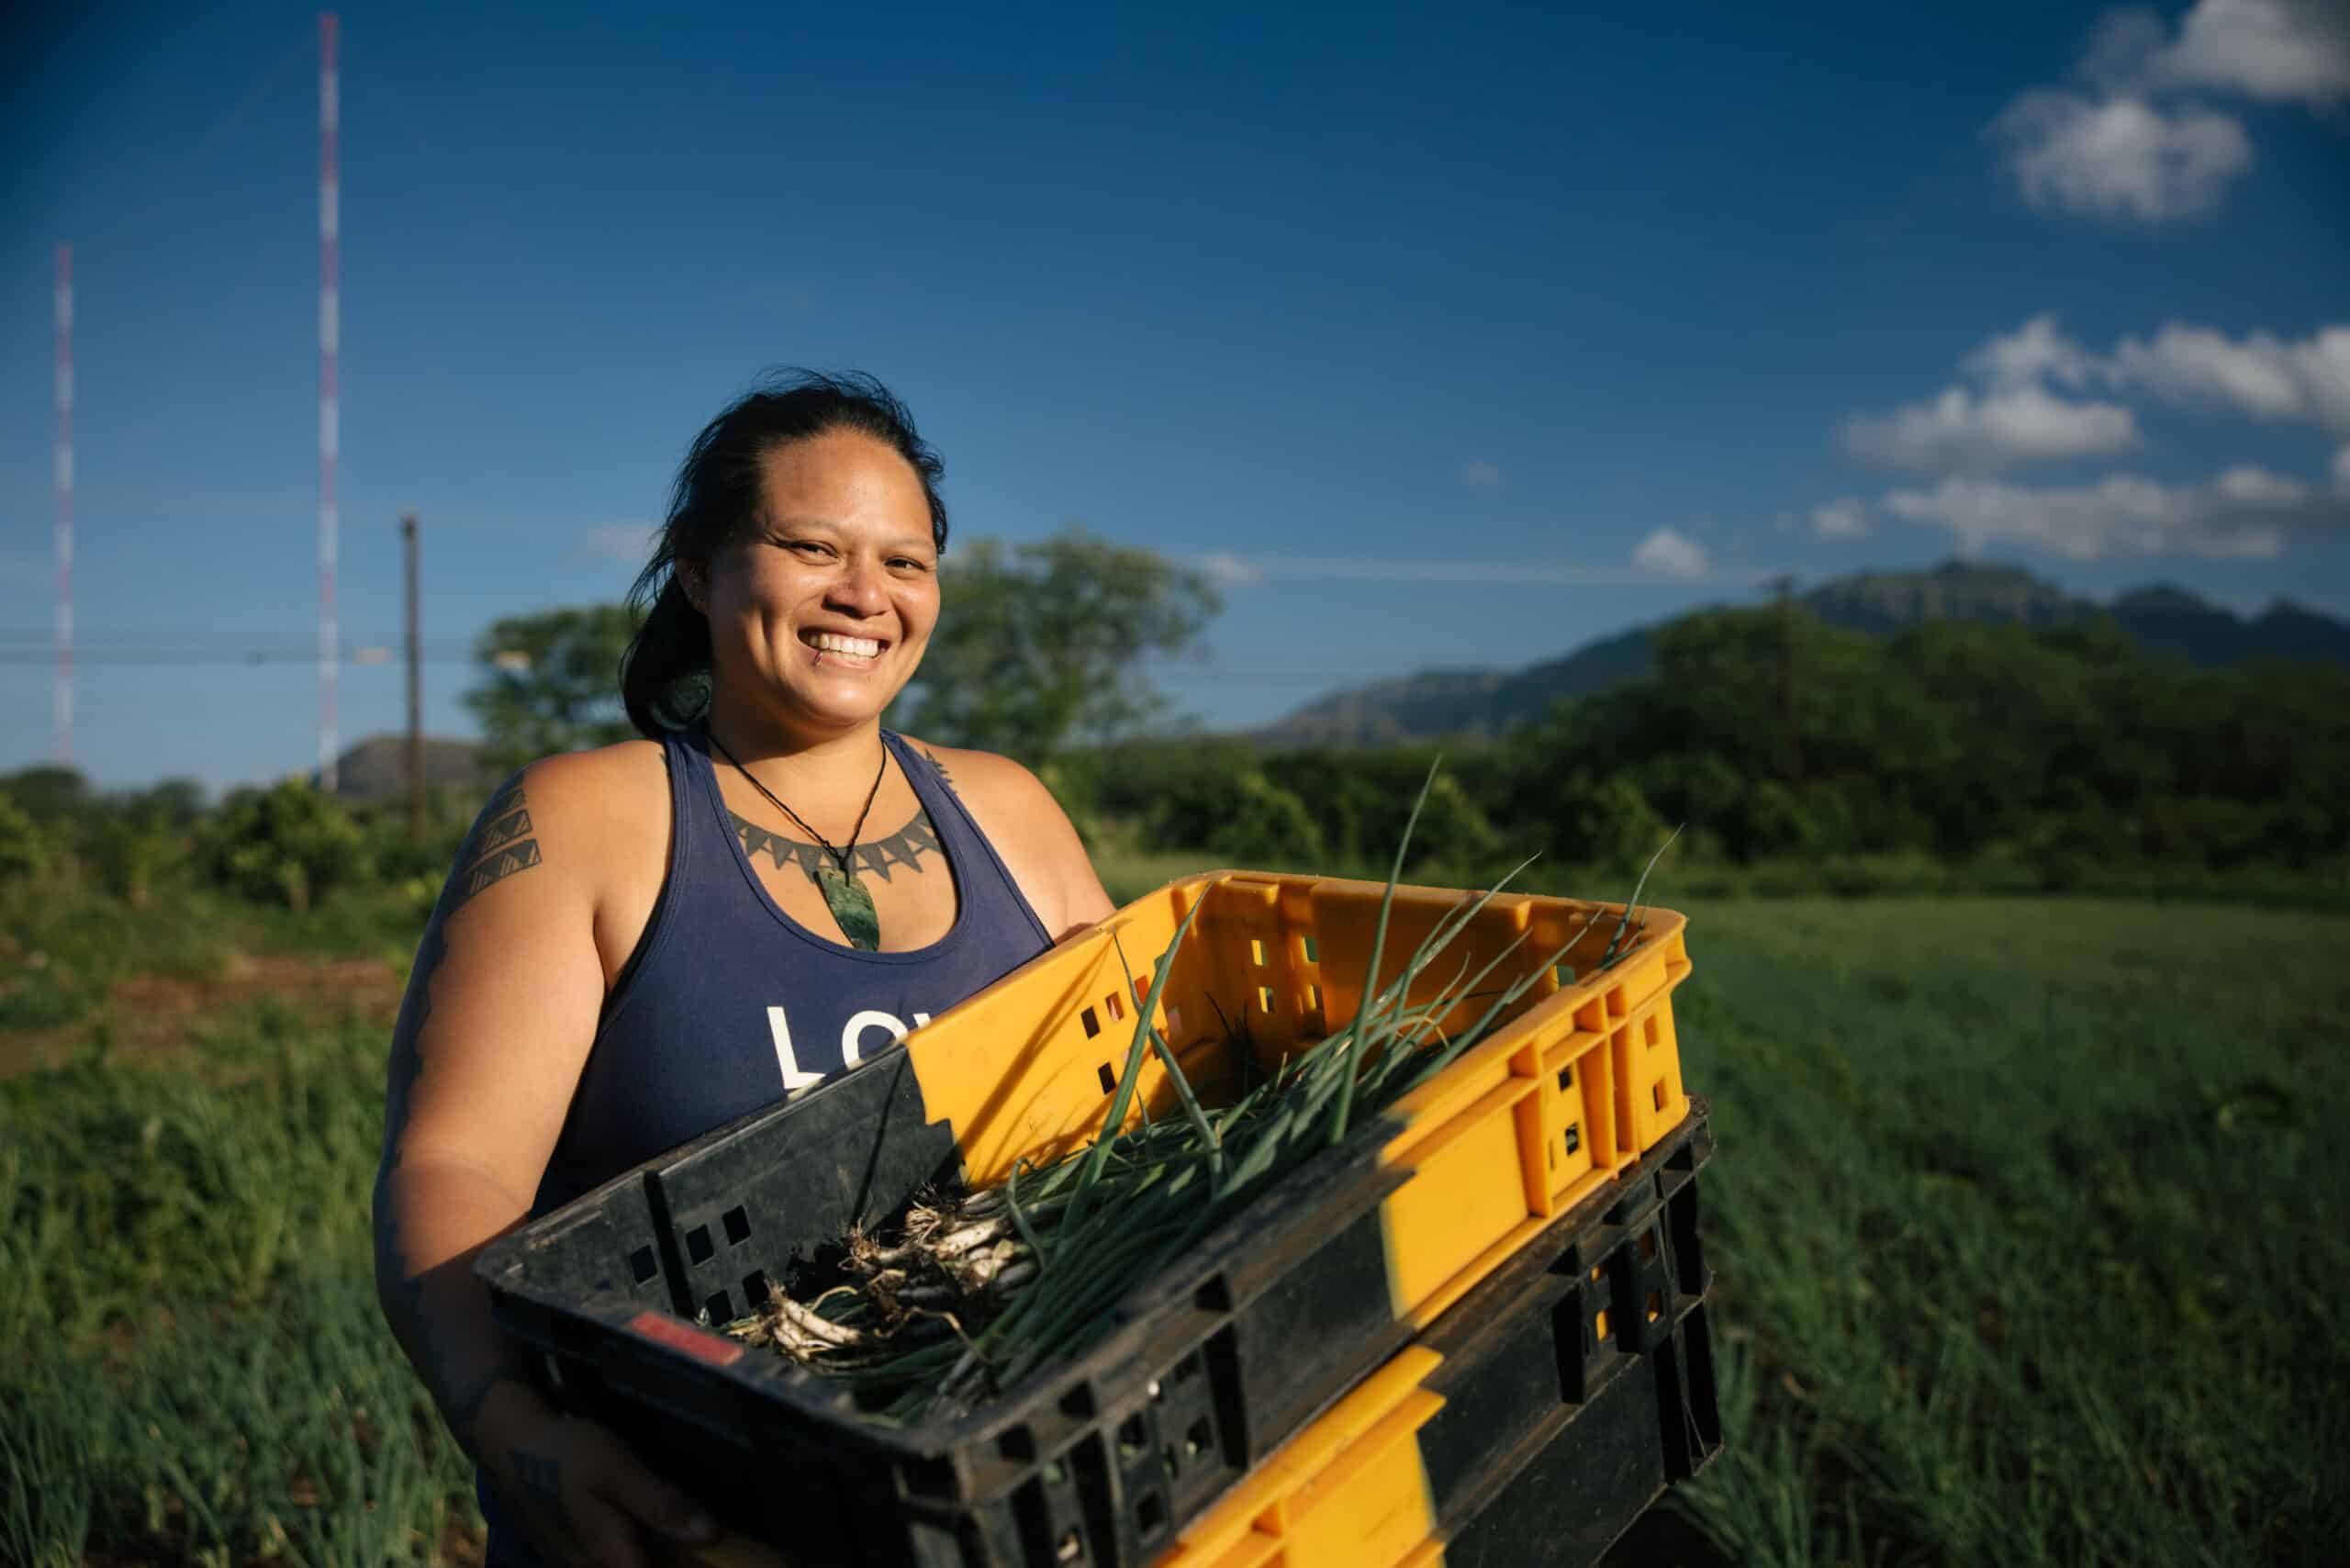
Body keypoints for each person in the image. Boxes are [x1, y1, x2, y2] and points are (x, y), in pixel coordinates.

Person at [371, 371, 1115, 1568]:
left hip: (995, 1490)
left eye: (907, 562)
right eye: (810, 545)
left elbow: (1147, 1094)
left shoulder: (1011, 812)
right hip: (692, 1510)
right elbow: (455, 1165)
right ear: (701, 568)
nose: (865, 594)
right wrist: (515, 1430)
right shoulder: (582, 822)